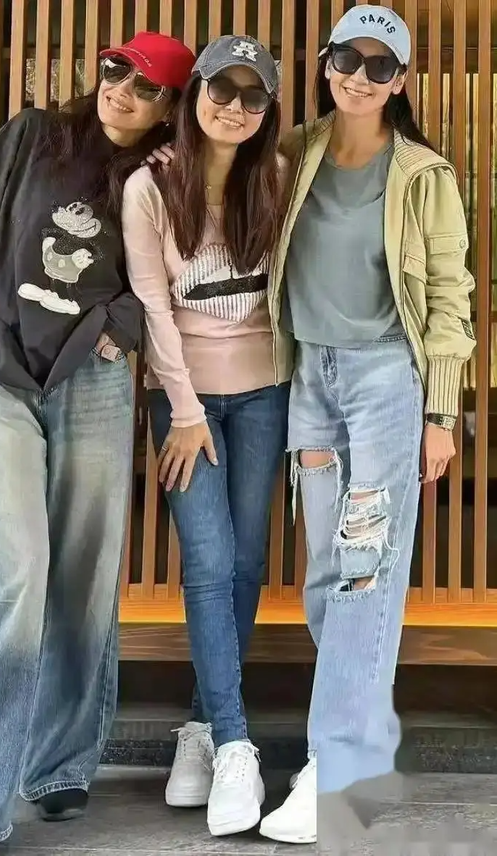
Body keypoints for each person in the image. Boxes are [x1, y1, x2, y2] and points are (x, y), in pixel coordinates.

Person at [0, 31, 196, 856]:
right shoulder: (32, 137)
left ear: (169, 109)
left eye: (146, 88)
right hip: (0, 377)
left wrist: (121, 324)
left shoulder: (162, 177)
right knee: (20, 579)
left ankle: (62, 765)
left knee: (84, 577)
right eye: (116, 71)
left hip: (94, 384)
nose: (123, 91)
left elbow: (176, 281)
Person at [258, 6, 476, 846]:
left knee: (363, 570)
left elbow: (450, 295)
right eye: (346, 58)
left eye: (379, 65)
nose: (358, 75)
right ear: (325, 63)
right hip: (310, 378)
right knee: (328, 571)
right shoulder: (293, 152)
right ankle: (359, 742)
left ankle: (340, 765)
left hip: (387, 382)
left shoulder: (424, 174)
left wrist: (440, 412)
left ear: (400, 81)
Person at [121, 35, 290, 837]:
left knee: (248, 562)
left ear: (268, 112)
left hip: (265, 392)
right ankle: (233, 744)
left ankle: (199, 725)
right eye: (222, 89)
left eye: (253, 97)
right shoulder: (149, 186)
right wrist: (184, 409)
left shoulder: (279, 176)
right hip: (184, 403)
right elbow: (153, 306)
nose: (235, 107)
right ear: (194, 96)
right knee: (210, 562)